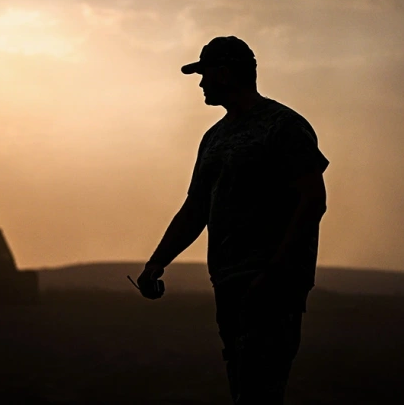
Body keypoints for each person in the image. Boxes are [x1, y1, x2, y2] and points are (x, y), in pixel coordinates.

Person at [135, 36, 329, 405]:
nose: (201, 84)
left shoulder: (283, 126)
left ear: (224, 74)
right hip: (229, 281)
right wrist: (157, 262)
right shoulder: (214, 137)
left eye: (204, 74)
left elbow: (312, 200)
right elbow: (196, 208)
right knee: (243, 385)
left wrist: (276, 272)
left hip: (271, 284)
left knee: (261, 389)